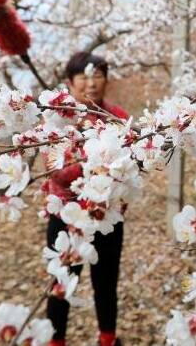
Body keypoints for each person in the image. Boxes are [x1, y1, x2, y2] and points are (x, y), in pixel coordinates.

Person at [42, 52, 128, 346]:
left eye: (98, 76)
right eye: (84, 77)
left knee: (106, 284)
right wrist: (99, 165)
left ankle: (108, 338)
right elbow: (57, 171)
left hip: (107, 217)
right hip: (66, 218)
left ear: (106, 80)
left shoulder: (118, 118)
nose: (91, 84)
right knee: (61, 284)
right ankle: (55, 340)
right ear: (70, 82)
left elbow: (132, 165)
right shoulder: (57, 120)